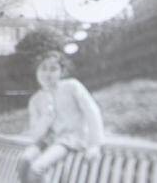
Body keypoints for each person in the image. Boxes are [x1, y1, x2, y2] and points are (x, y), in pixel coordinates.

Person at [18, 50, 104, 183]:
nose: (47, 74)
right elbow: (35, 135)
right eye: (43, 69)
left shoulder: (72, 87)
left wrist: (95, 145)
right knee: (24, 160)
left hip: (70, 139)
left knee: (37, 168)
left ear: (61, 72)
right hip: (47, 141)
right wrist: (46, 117)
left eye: (53, 69)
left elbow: (92, 111)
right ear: (37, 72)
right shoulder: (36, 99)